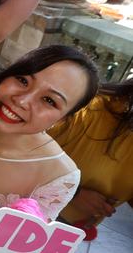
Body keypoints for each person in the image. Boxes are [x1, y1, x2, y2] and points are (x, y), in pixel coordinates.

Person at [0, 45, 100, 222]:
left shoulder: (58, 176)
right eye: (23, 80)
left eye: (49, 100)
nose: (22, 100)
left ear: (62, 119)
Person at [48, 78, 133, 239]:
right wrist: (74, 192)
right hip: (25, 211)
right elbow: (16, 149)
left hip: (68, 232)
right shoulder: (91, 108)